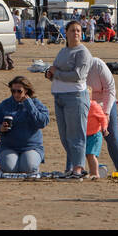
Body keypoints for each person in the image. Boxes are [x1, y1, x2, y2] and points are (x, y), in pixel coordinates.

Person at [45, 20, 92, 176]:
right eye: (72, 30)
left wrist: (56, 73)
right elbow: (56, 71)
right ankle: (71, 166)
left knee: (76, 134)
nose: (76, 33)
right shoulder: (63, 51)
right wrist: (50, 74)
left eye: (78, 30)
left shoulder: (83, 52)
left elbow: (78, 75)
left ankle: (78, 168)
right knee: (65, 136)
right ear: (66, 32)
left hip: (75, 96)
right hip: (59, 96)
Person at [0, 75, 50, 176]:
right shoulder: (4, 105)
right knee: (9, 168)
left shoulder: (35, 103)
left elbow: (42, 122)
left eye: (19, 91)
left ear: (26, 91)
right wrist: (0, 128)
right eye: (13, 91)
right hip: (9, 147)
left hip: (31, 147)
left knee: (28, 167)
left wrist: (29, 105)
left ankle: (32, 166)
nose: (16, 94)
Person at [86, 55, 118, 175]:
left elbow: (110, 89)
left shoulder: (97, 65)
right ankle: (78, 169)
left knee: (111, 135)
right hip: (85, 104)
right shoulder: (73, 67)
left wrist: (106, 113)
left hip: (106, 101)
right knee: (83, 138)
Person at [85, 98, 108, 178]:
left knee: (91, 155)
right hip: (84, 135)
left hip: (94, 135)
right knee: (87, 155)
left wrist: (104, 128)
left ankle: (95, 174)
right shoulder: (79, 105)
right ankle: (90, 172)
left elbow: (103, 118)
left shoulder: (94, 106)